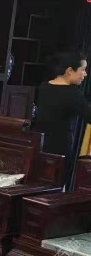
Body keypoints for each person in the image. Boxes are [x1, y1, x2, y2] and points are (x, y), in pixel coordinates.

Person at [34, 51, 91, 189]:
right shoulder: (73, 93)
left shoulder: (43, 87)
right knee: (56, 189)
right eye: (83, 70)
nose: (85, 74)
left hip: (39, 147)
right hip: (61, 150)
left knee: (38, 186)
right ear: (70, 70)